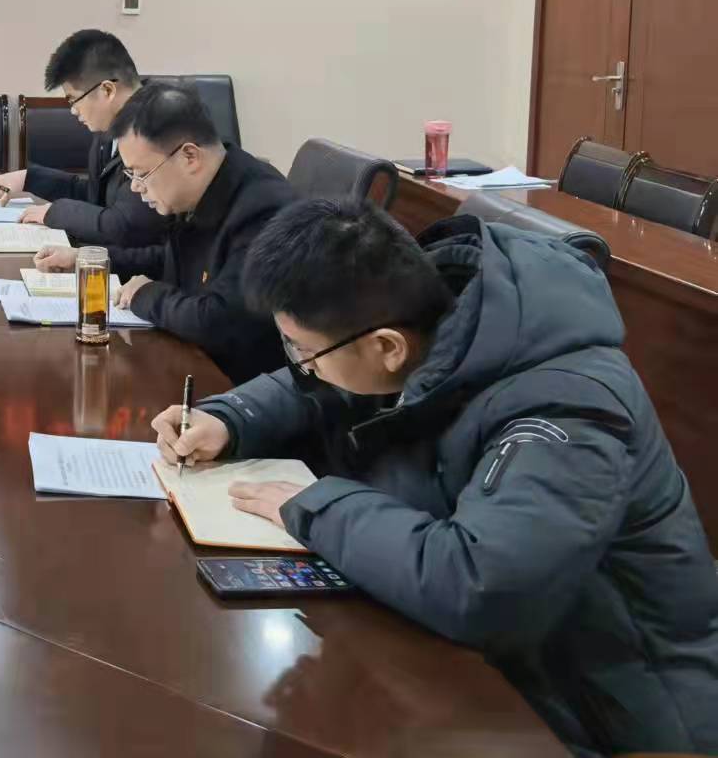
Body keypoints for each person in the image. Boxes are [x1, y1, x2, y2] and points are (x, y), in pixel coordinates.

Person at [154, 199, 718, 757]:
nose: (303, 368)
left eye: (305, 353)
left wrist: (318, 506)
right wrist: (229, 418)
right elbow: (327, 382)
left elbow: (481, 588)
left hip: (618, 714)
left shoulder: (566, 408)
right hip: (502, 671)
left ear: (387, 347)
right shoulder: (429, 316)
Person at [37, 84, 295, 383]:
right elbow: (171, 259)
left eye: (141, 173)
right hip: (189, 361)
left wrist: (146, 295)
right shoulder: (202, 188)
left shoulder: (263, 211)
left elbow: (219, 322)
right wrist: (93, 260)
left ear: (189, 157)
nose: (135, 187)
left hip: (234, 384)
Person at [0, 29, 161, 249]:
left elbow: (124, 226)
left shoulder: (157, 127)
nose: (74, 111)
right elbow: (96, 197)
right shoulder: (109, 125)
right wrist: (27, 178)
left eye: (74, 100)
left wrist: (56, 212)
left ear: (107, 90)